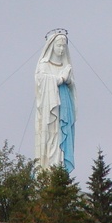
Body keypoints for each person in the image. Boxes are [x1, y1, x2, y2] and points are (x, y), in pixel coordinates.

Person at [35, 30, 76, 172]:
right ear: (51, 45)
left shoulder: (66, 66)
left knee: (61, 135)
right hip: (50, 108)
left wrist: (69, 80)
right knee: (51, 136)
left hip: (64, 105)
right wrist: (61, 79)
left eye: (64, 46)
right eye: (59, 45)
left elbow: (72, 87)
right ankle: (49, 169)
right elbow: (40, 82)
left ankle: (60, 166)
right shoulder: (44, 65)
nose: (61, 49)